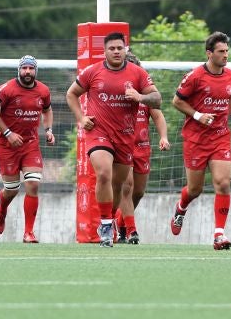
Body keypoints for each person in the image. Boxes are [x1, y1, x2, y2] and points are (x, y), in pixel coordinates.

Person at [65, 32, 162, 247]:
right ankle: (107, 224)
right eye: (112, 48)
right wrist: (81, 118)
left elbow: (157, 100)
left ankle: (109, 218)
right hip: (98, 132)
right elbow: (71, 94)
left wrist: (140, 97)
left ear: (126, 49)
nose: (116, 51)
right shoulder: (92, 72)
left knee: (118, 185)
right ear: (105, 51)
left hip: (125, 137)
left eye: (120, 48)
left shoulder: (137, 73)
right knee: (103, 173)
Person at [170, 31, 231, 250]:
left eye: (227, 51)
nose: (225, 55)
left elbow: (229, 97)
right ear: (209, 53)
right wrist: (198, 115)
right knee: (195, 190)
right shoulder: (195, 77)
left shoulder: (230, 75)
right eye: (221, 52)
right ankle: (181, 207)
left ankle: (219, 235)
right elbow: (176, 101)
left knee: (223, 182)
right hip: (195, 139)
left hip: (220, 136)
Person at [0, 55, 55, 244]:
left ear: (36, 70)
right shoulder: (6, 90)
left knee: (33, 184)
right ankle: (2, 210)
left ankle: (29, 232)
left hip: (30, 145)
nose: (27, 72)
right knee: (11, 189)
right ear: (19, 70)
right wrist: (8, 133)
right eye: (24, 68)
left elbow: (47, 110)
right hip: (7, 145)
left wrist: (49, 130)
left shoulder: (43, 90)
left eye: (31, 68)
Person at [113, 52, 170, 244]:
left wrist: (163, 137)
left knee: (138, 192)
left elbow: (158, 116)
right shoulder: (115, 95)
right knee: (126, 187)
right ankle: (132, 231)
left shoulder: (145, 96)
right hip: (123, 147)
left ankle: (121, 224)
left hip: (142, 148)